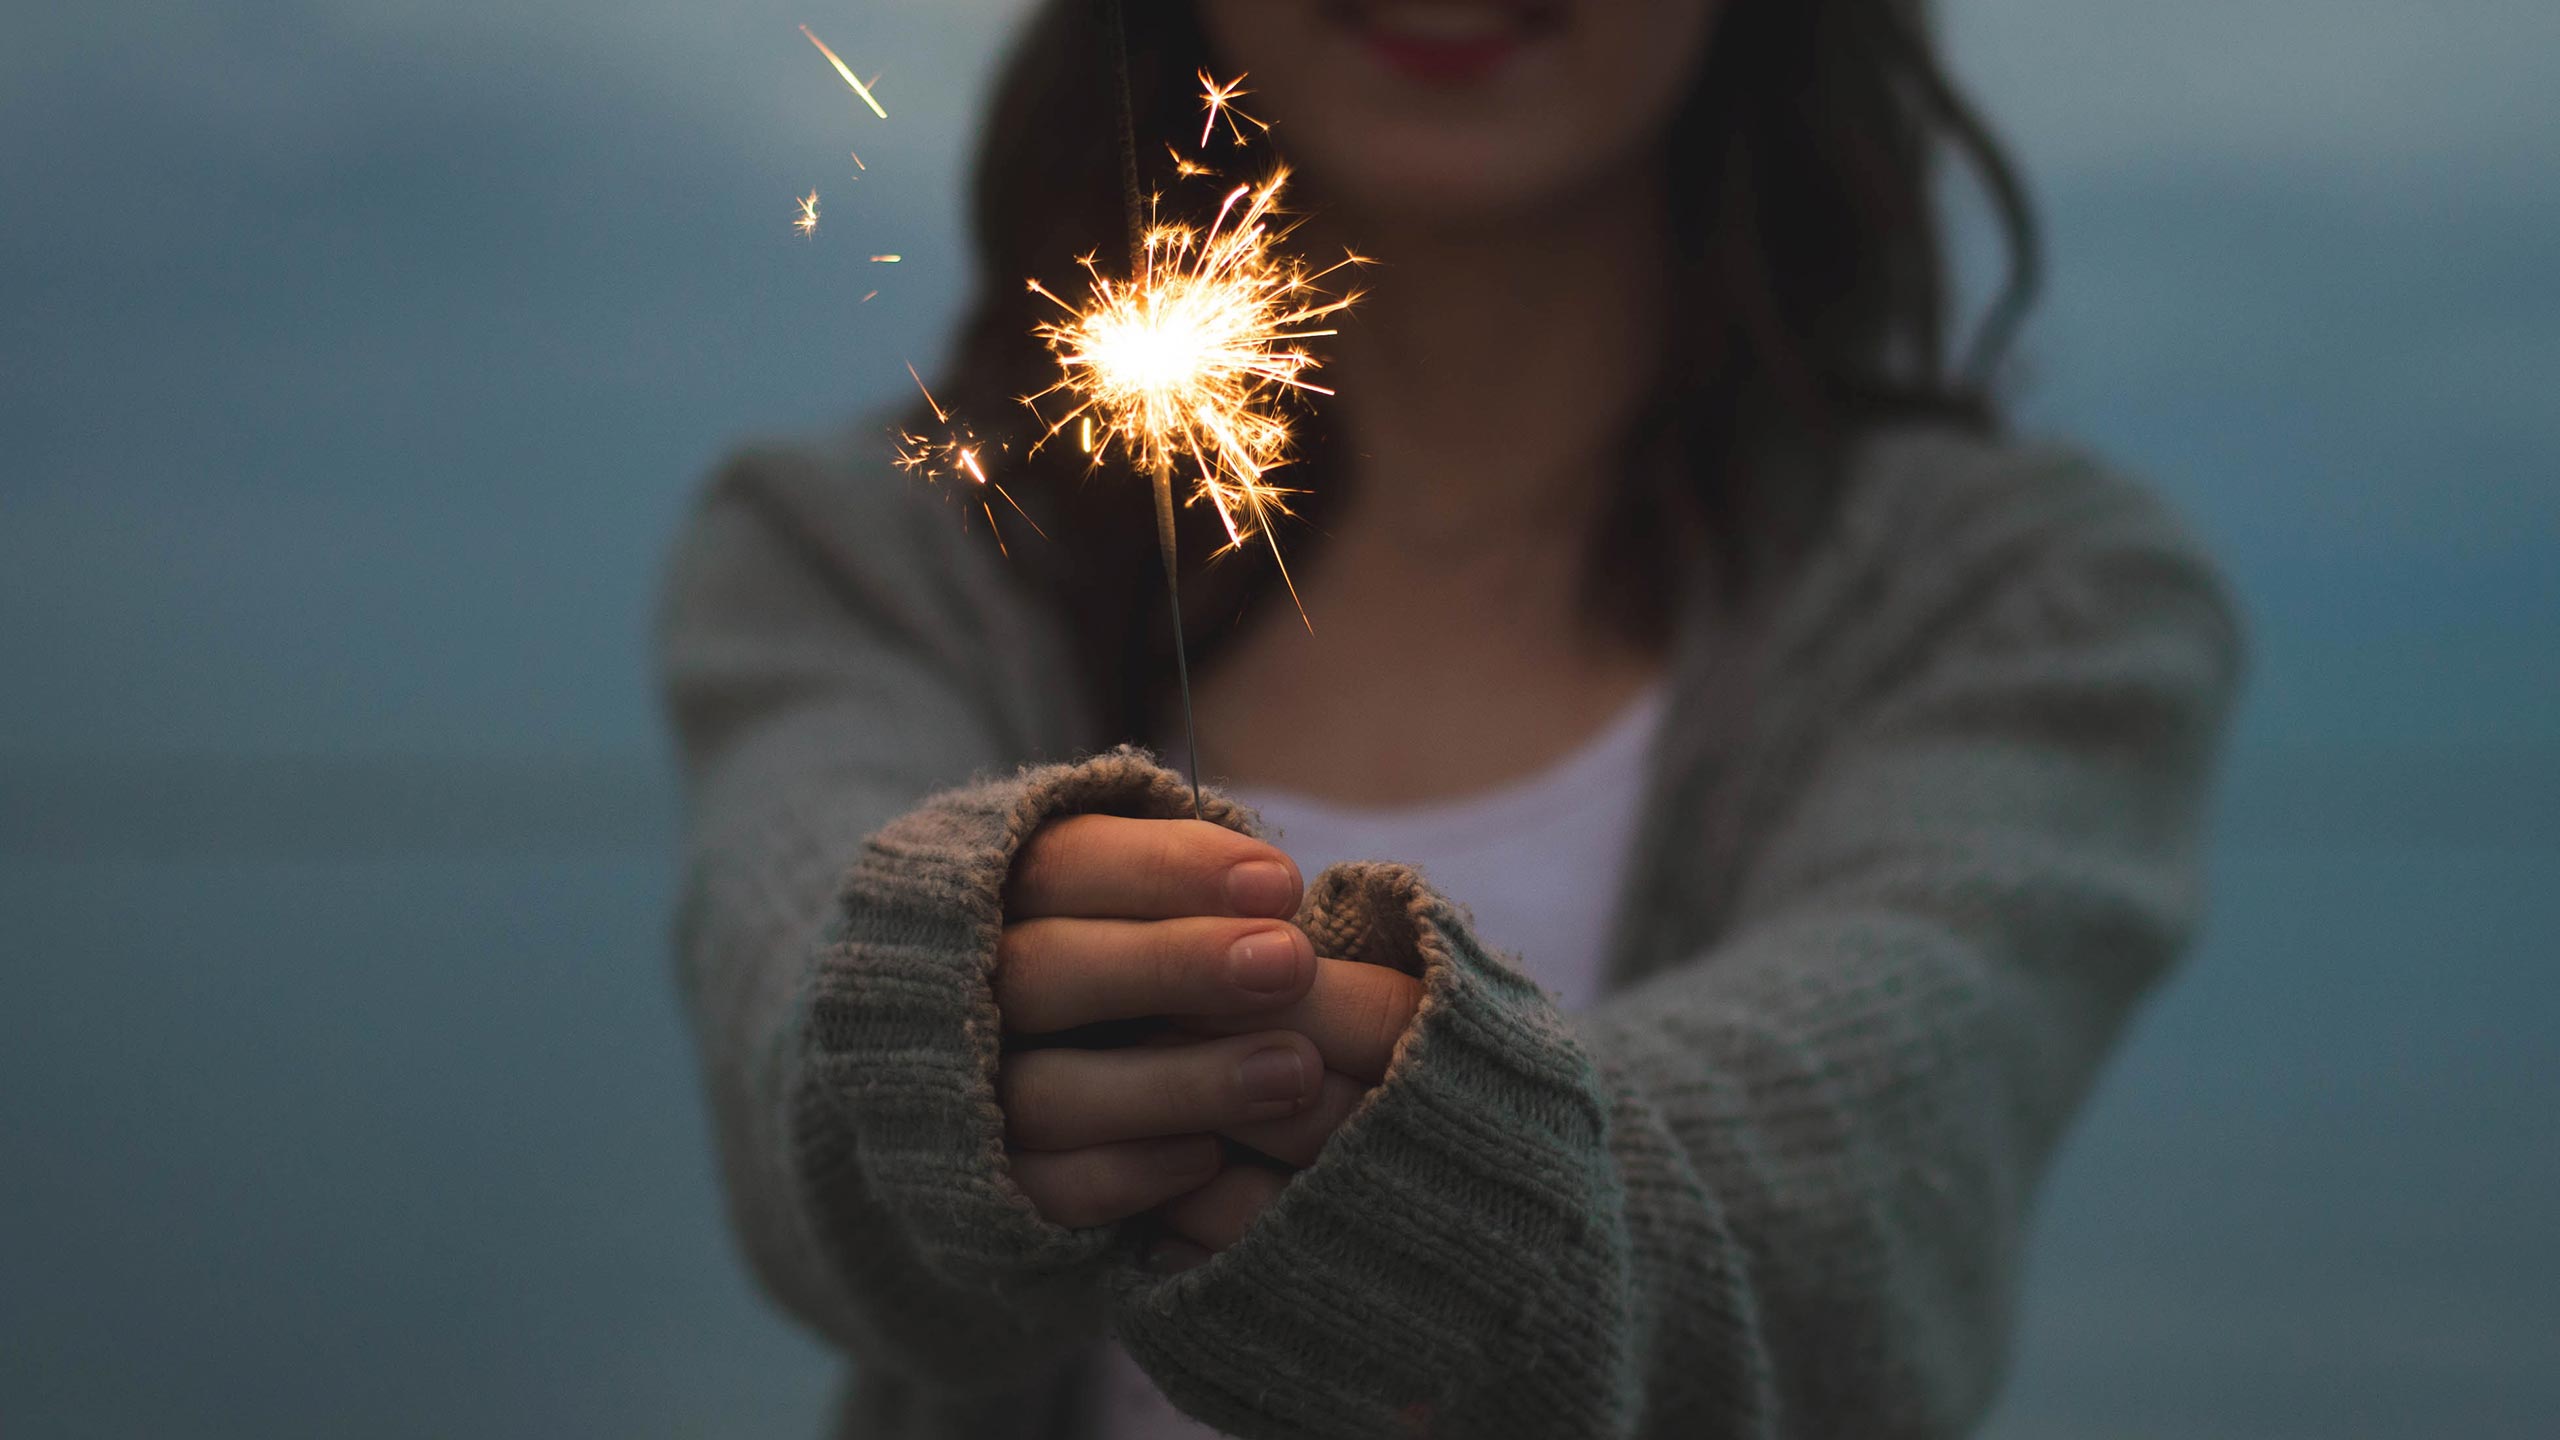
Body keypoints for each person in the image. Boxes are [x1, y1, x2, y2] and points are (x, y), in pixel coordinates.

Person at [656, 0, 2244, 1435]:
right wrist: (942, 1020)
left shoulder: (2022, 601)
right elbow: (800, 1007)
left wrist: (1471, 1190)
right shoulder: (875, 554)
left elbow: (1873, 1175)